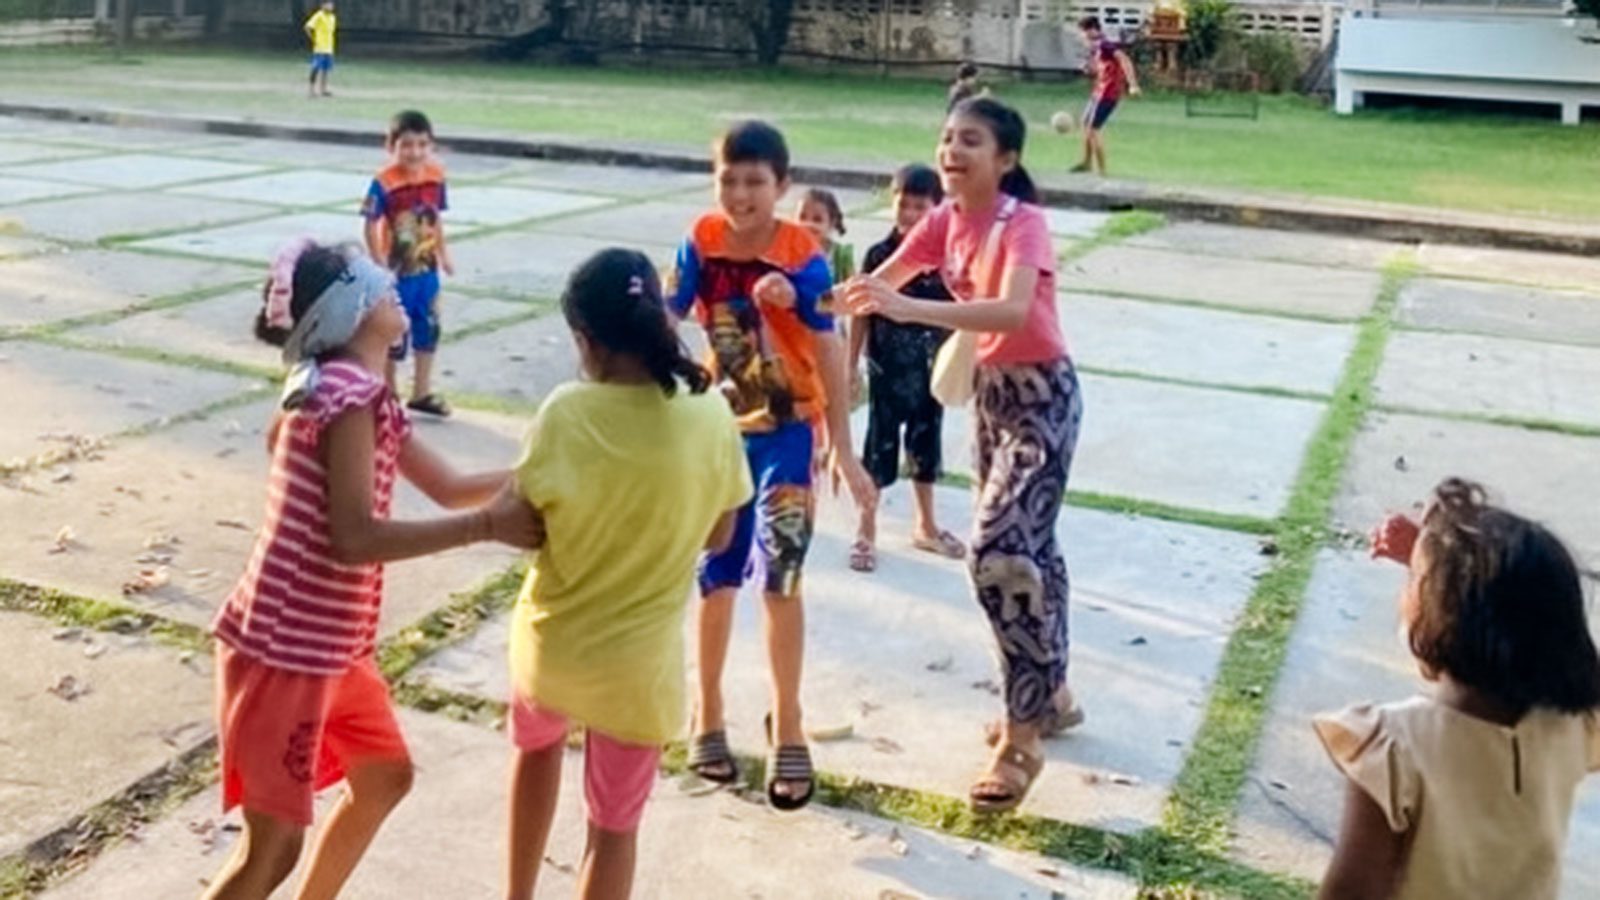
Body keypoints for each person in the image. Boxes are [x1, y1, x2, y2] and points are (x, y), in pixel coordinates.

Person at [204, 241, 542, 900]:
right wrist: (487, 527)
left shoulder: (350, 391)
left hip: (329, 649)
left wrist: (563, 471)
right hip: (286, 652)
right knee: (269, 851)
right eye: (385, 293)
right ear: (351, 314)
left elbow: (449, 485)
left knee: (385, 775)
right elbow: (354, 538)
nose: (399, 301)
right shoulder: (345, 395)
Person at [843, 97, 1083, 813]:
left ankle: (1022, 739)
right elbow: (877, 285)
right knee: (1033, 550)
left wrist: (913, 309)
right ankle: (1053, 693)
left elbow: (1010, 311)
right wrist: (799, 297)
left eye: (969, 141)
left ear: (1004, 158)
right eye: (946, 137)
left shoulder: (1023, 223)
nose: (951, 150)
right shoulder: (945, 220)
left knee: (999, 553)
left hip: (1043, 400)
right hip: (991, 399)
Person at [504, 249, 751, 900]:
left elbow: (526, 518)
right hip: (637, 673)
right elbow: (723, 533)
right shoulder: (710, 412)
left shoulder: (564, 412)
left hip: (550, 649)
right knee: (613, 830)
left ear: (585, 340)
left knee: (534, 756)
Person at [669, 120, 876, 811]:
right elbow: (667, 321)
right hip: (720, 429)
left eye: (755, 180)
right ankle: (708, 714)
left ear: (781, 187)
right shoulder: (700, 242)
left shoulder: (803, 252)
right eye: (728, 177)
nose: (739, 192)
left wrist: (844, 450)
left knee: (781, 575)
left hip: (790, 433)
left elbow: (829, 353)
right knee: (716, 575)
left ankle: (788, 722)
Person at [1316, 479, 1600, 900]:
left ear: (1433, 616)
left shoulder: (1393, 749)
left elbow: (1353, 892)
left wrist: (1435, 568)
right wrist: (1436, 569)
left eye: (1416, 582)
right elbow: (1528, 614)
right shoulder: (1573, 727)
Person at [846, 163, 964, 573]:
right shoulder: (880, 256)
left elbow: (964, 310)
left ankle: (926, 524)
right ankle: (866, 528)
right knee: (878, 449)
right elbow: (860, 310)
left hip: (933, 373)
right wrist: (850, 365)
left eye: (921, 207)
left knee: (925, 447)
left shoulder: (949, 261)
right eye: (903, 205)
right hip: (887, 372)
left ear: (939, 209)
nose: (910, 215)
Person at [362, 110, 455, 418]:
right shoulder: (384, 182)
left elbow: (435, 218)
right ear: (391, 146)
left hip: (427, 270)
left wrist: (444, 253)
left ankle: (422, 391)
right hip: (396, 272)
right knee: (393, 333)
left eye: (421, 144)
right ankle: (388, 394)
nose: (414, 152)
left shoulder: (436, 176)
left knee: (428, 327)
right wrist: (377, 262)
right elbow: (370, 223)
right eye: (406, 145)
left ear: (431, 145)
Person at [1073, 16, 1140, 176]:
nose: (1081, 37)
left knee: (1093, 129)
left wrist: (1133, 84)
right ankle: (1086, 163)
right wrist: (1090, 70)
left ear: (1091, 31)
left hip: (1108, 93)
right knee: (1085, 124)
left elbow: (1125, 60)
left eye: (1082, 33)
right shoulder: (1096, 48)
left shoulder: (1105, 45)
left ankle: (1102, 171)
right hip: (1098, 91)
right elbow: (1104, 69)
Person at [795, 188, 855, 285]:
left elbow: (852, 289)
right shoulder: (786, 253)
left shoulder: (841, 256)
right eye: (802, 217)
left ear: (831, 223)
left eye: (817, 219)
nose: (808, 224)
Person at [303, 1, 337, 99]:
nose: (330, 6)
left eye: (331, 5)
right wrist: (313, 39)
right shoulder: (319, 15)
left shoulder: (332, 18)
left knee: (326, 69)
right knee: (316, 68)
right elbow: (307, 27)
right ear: (323, 5)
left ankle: (323, 89)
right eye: (328, 4)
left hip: (329, 48)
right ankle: (311, 90)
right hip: (320, 48)